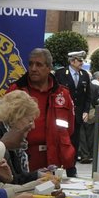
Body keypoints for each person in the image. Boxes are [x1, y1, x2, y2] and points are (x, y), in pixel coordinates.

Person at [10, 48, 77, 176]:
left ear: (49, 68)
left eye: (39, 64)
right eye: (31, 64)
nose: (33, 68)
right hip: (26, 160)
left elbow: (70, 128)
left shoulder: (63, 94)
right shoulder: (16, 91)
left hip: (57, 159)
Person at [0, 90, 45, 187]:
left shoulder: (13, 139)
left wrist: (39, 175)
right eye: (30, 121)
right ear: (15, 118)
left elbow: (17, 177)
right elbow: (12, 181)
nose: (33, 126)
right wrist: (37, 177)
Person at [54, 51, 94, 163]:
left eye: (83, 60)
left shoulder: (85, 75)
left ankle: (72, 164)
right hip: (63, 114)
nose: (82, 63)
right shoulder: (60, 73)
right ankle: (60, 162)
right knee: (62, 138)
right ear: (72, 61)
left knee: (75, 140)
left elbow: (88, 96)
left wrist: (86, 111)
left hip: (77, 114)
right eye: (80, 60)